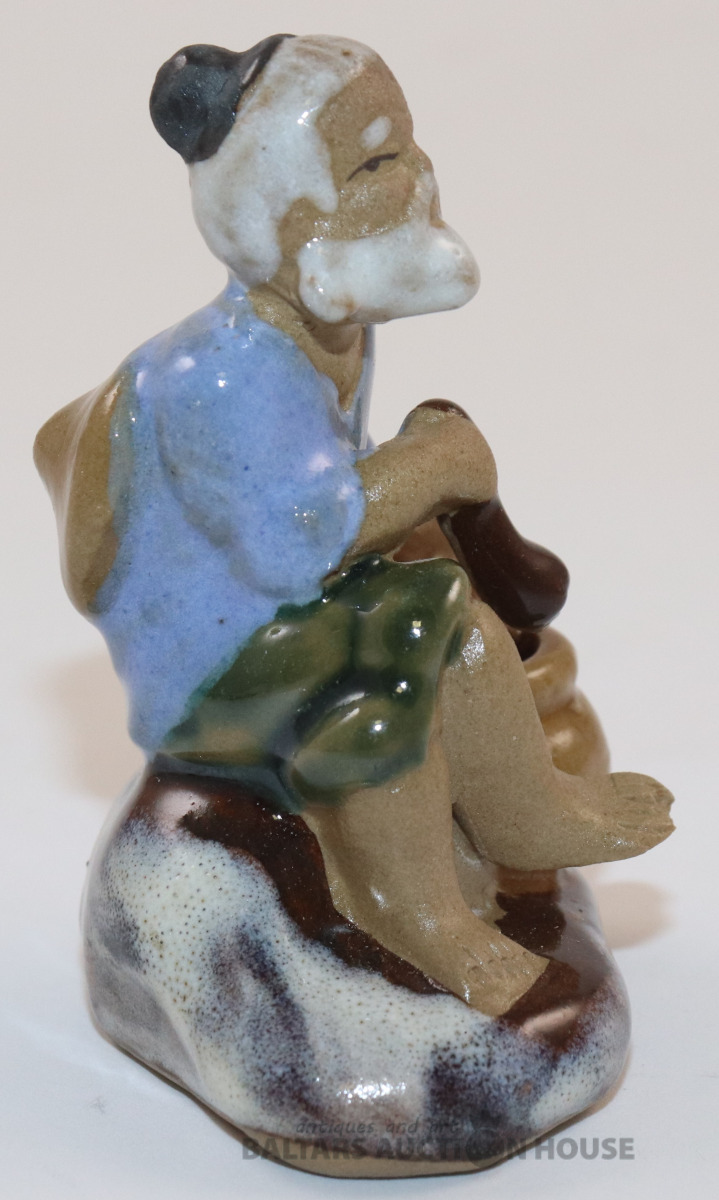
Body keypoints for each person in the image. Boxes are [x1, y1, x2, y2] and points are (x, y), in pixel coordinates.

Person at [35, 35, 672, 1014]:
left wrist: (412, 489)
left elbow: (324, 506)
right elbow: (298, 542)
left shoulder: (327, 324)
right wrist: (433, 466)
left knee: (447, 611)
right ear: (279, 219)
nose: (417, 177)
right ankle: (422, 919)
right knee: (390, 666)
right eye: (375, 164)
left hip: (273, 615)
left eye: (406, 145)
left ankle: (526, 812)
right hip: (209, 667)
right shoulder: (230, 374)